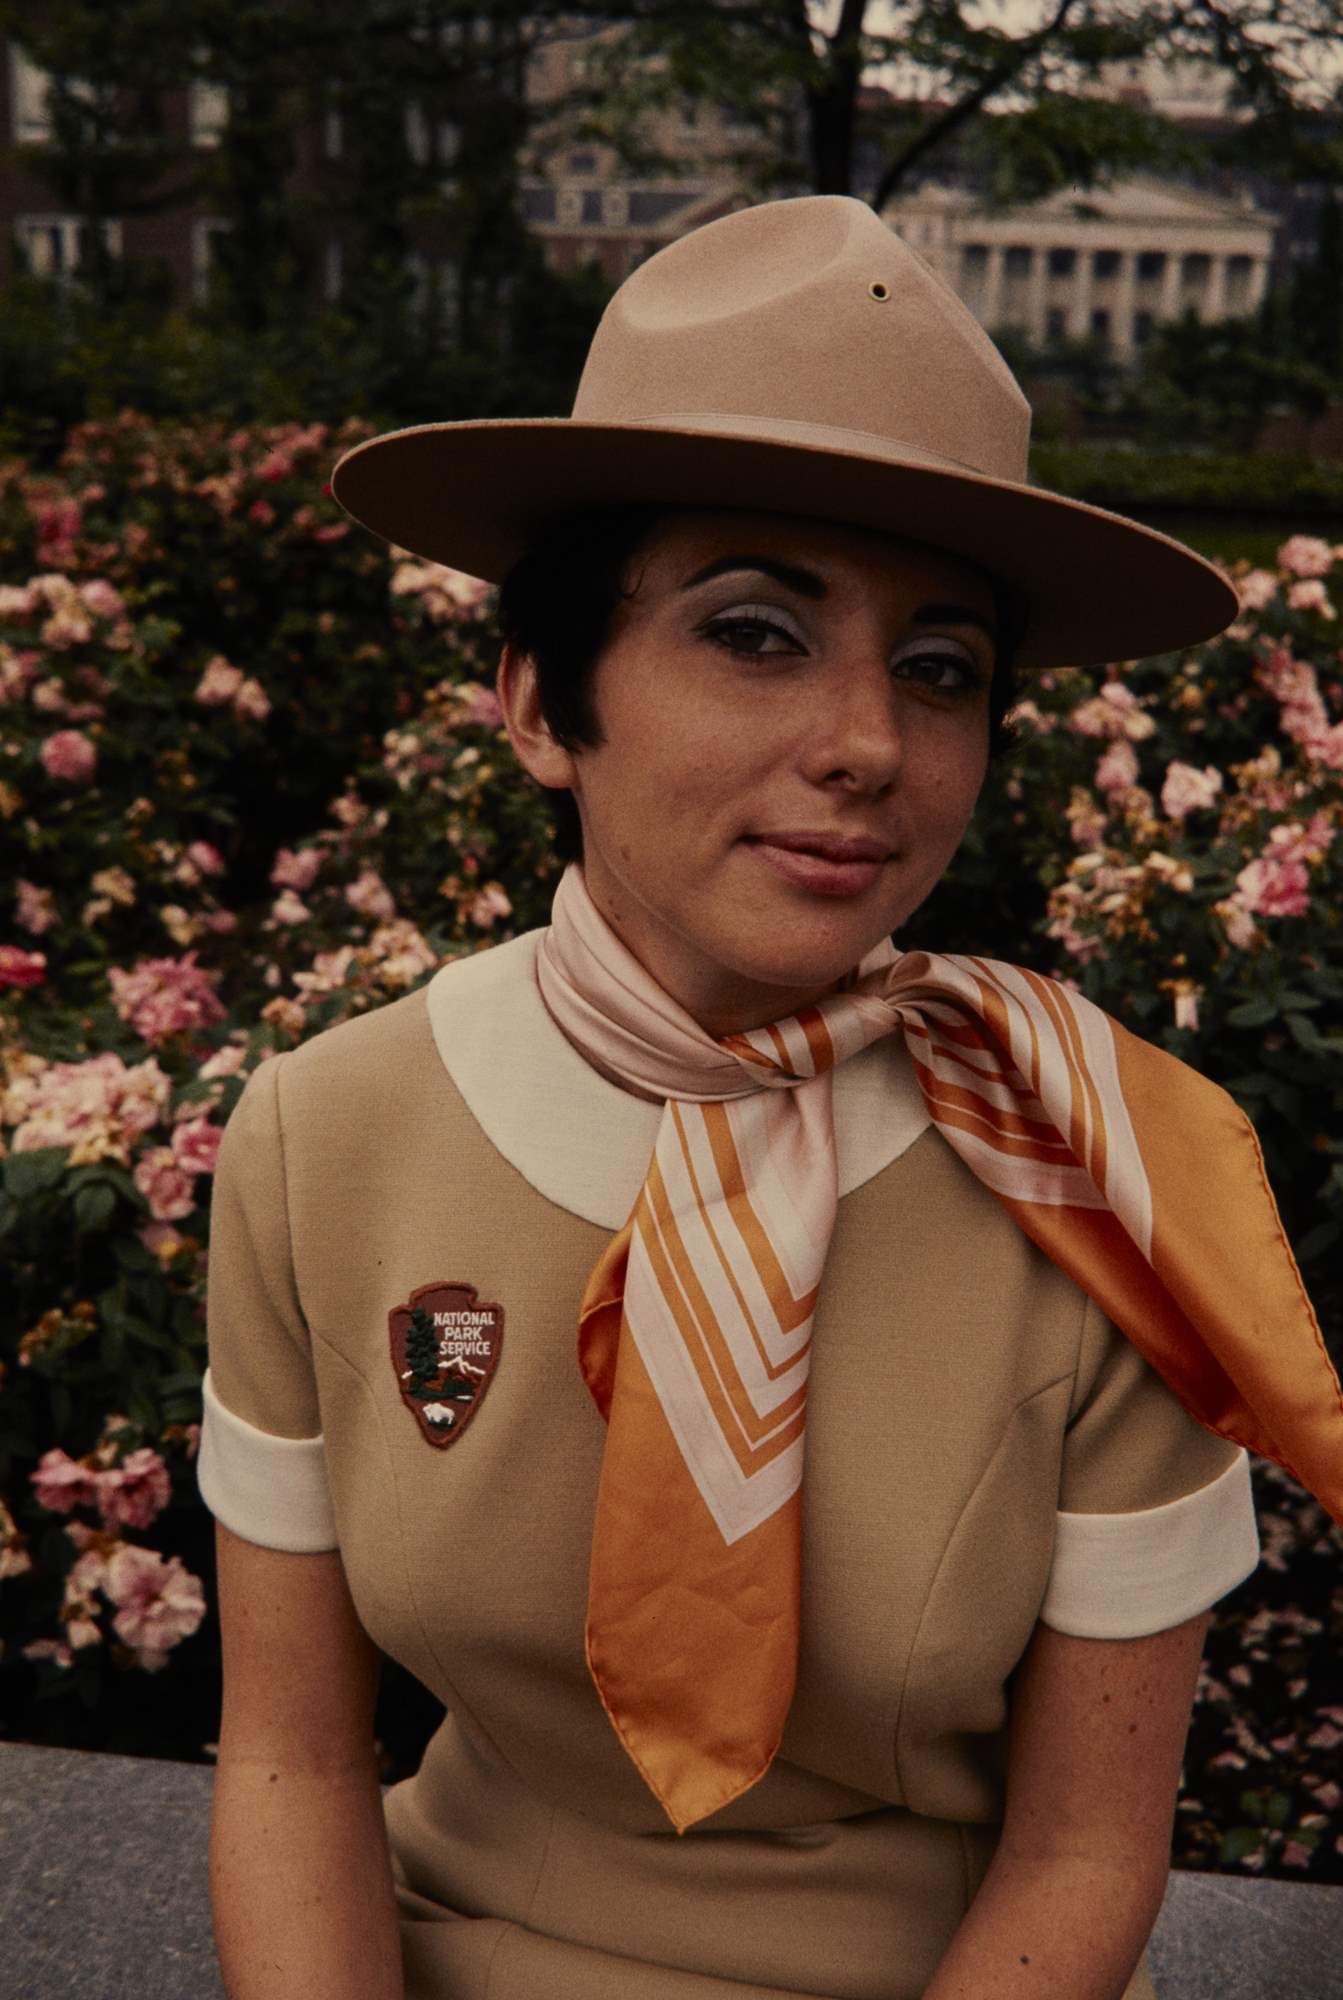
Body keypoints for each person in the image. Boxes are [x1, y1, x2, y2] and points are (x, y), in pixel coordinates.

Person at [198, 197, 1343, 2000]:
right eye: (754, 632)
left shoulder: (1115, 1178)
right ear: (535, 699)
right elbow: (286, 1761)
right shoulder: (324, 1139)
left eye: (941, 667)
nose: (870, 744)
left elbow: (1086, 1848)